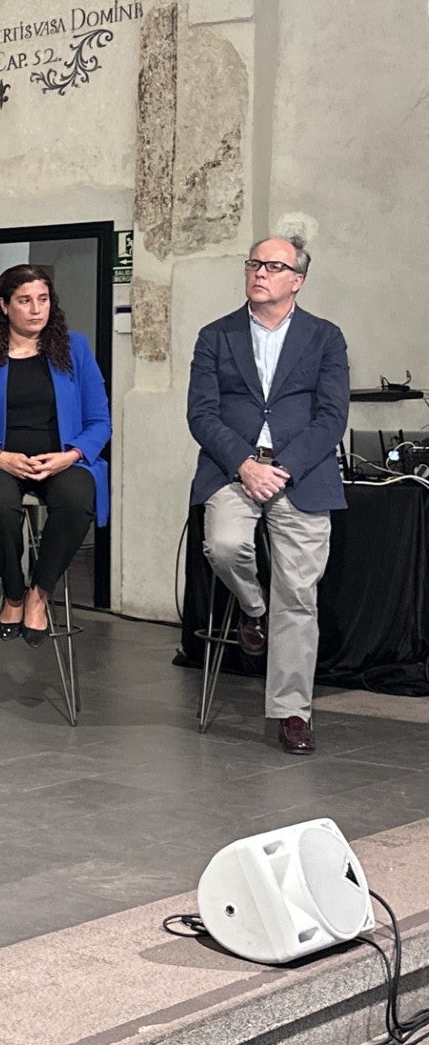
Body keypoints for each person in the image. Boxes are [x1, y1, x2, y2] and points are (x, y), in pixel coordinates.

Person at [188, 234, 348, 755]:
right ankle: (252, 609)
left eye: (273, 266)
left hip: (301, 476)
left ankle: (292, 711)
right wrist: (245, 464)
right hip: (233, 470)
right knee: (226, 546)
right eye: (254, 263)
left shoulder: (325, 338)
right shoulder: (216, 335)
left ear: (296, 280)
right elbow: (202, 415)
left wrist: (284, 467)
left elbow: (332, 418)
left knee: (299, 596)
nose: (259, 272)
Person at [0, 264, 111, 642]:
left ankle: (40, 592)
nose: (37, 309)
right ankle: (14, 590)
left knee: (76, 499)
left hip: (61, 459)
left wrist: (69, 456)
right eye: (25, 300)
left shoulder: (75, 348)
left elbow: (100, 421)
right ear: (4, 306)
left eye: (43, 299)